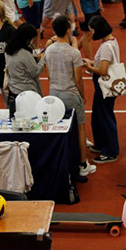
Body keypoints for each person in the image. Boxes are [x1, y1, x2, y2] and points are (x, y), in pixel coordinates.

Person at [44, 15, 95, 180]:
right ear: (68, 30)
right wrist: (83, 96)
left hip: (54, 93)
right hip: (70, 93)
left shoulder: (49, 50)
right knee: (80, 128)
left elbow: (49, 74)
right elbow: (78, 78)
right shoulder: (74, 53)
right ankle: (82, 165)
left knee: (59, 129)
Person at [82, 16, 121, 164]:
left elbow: (103, 70)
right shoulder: (112, 41)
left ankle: (111, 151)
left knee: (105, 117)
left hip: (104, 87)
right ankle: (100, 144)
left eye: (92, 31)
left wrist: (89, 67)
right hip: (105, 86)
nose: (91, 34)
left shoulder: (105, 47)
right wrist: (92, 62)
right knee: (99, 116)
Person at [4, 23, 45, 114]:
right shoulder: (24, 54)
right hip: (27, 93)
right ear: (26, 39)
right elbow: (35, 71)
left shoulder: (8, 50)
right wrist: (43, 59)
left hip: (13, 90)